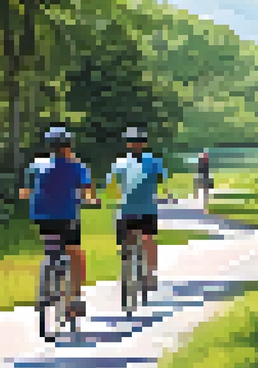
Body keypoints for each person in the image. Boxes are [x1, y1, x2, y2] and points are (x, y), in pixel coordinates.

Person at [19, 126, 97, 318]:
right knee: (75, 253)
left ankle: (46, 285)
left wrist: (28, 195)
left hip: (41, 217)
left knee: (51, 247)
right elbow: (88, 192)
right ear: (69, 146)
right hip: (67, 216)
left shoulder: (37, 164)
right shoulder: (77, 166)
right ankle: (75, 298)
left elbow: (26, 191)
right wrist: (91, 201)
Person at [107, 126, 168, 292]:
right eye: (134, 142)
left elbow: (160, 179)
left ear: (144, 143)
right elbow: (112, 184)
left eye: (139, 142)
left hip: (146, 209)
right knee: (130, 242)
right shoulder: (121, 163)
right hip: (128, 209)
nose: (136, 145)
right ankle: (129, 271)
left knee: (148, 239)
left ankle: (150, 273)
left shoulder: (153, 161)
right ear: (128, 144)